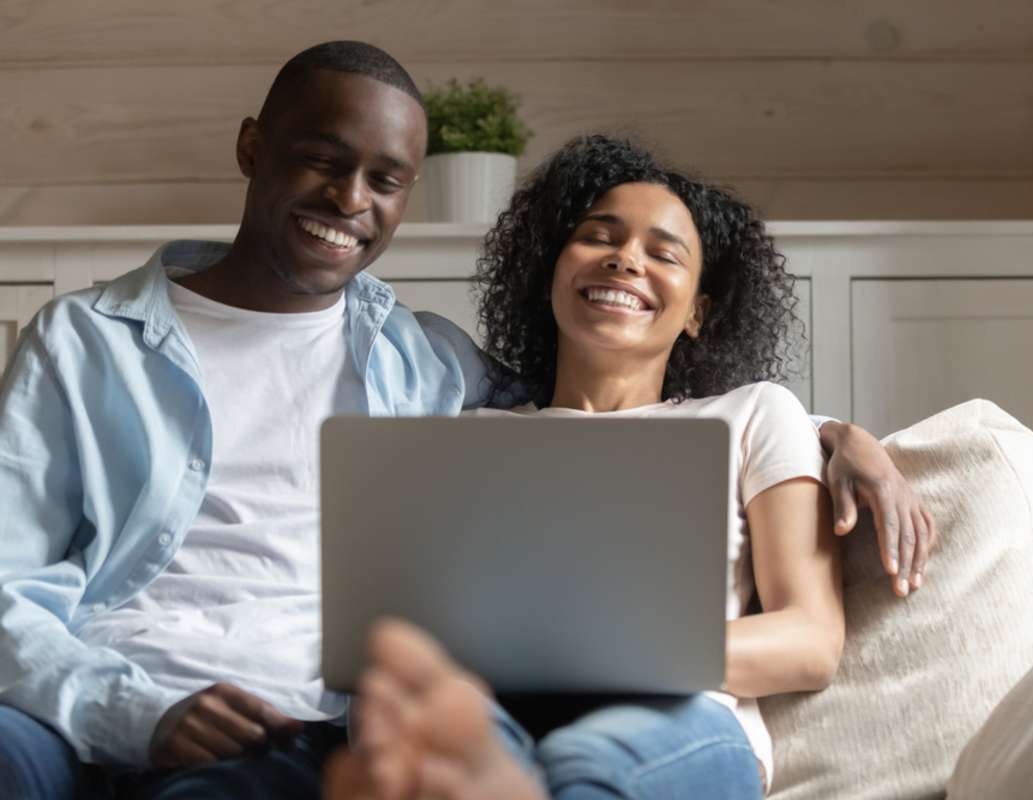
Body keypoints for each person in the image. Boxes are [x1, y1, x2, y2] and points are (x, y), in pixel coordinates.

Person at [0, 41, 931, 800]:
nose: (348, 200)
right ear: (254, 147)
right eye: (598, 234)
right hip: (149, 693)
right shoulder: (465, 404)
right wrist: (130, 712)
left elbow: (782, 584)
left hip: (388, 726)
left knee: (536, 764)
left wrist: (840, 436)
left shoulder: (437, 364)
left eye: (384, 179)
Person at [326, 134, 843, 800]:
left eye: (663, 253)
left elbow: (811, 641)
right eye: (600, 237)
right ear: (551, 273)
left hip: (678, 722)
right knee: (419, 742)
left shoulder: (755, 415)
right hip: (503, 711)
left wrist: (606, 654)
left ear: (697, 313)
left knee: (584, 764)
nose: (626, 261)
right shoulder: (467, 436)